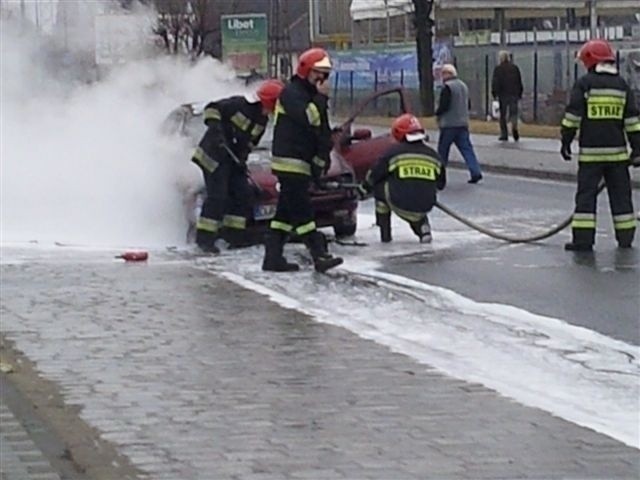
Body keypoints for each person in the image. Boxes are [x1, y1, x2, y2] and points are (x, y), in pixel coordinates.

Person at [261, 48, 343, 273]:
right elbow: (309, 119)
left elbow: (321, 131)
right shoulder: (292, 93)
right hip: (291, 161)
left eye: (326, 74)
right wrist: (322, 98)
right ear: (306, 70)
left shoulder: (307, 93)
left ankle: (272, 258)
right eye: (319, 73)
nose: (323, 79)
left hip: (300, 161)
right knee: (303, 212)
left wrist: (322, 157)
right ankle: (319, 254)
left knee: (284, 215)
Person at [561, 39, 640, 252]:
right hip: (617, 157)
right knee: (622, 197)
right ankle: (625, 238)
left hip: (591, 157)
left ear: (589, 60)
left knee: (586, 198)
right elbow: (632, 120)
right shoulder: (622, 85)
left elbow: (573, 116)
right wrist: (637, 148)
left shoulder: (584, 84)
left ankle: (583, 241)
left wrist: (566, 140)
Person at [192, 79, 284, 253]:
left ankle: (234, 236)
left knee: (242, 194)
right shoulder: (239, 104)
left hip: (233, 160)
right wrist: (216, 129)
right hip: (213, 157)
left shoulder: (262, 121)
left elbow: (249, 143)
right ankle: (204, 240)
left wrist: (242, 160)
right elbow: (212, 108)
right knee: (218, 197)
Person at [356, 114, 445, 243]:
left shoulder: (393, 153)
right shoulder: (434, 156)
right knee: (416, 214)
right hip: (426, 203)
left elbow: (375, 174)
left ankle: (385, 233)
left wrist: (363, 189)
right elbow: (441, 184)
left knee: (380, 190)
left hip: (400, 201)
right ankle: (423, 228)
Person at [436, 64, 483, 184]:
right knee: (467, 149)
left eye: (443, 73)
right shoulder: (463, 86)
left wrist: (437, 113)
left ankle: (440, 177)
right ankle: (475, 171)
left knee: (442, 151)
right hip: (463, 123)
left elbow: (444, 105)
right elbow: (468, 105)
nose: (442, 76)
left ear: (449, 74)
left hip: (449, 124)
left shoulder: (447, 87)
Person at [491, 50, 523, 141]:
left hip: (503, 94)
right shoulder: (515, 68)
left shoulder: (498, 69)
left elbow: (495, 83)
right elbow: (519, 81)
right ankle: (514, 127)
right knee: (514, 113)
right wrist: (519, 93)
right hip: (514, 94)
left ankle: (504, 134)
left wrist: (494, 93)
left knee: (503, 115)